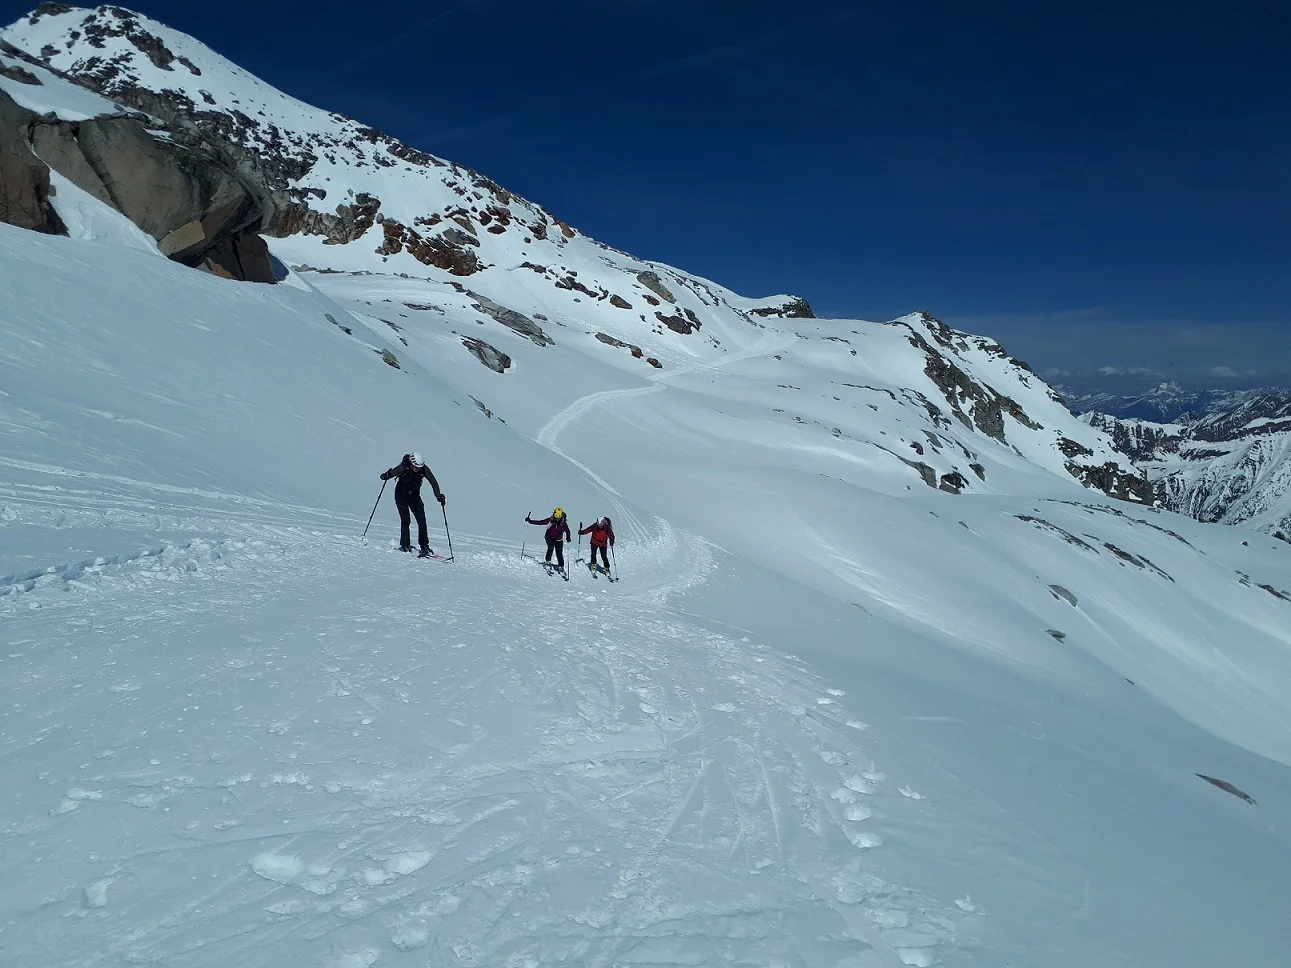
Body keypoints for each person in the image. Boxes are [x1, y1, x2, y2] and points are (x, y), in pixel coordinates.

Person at [380, 452, 445, 557]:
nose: (417, 469)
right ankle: (405, 545)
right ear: (411, 463)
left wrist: (438, 496)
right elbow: (391, 474)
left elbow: (433, 482)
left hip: (414, 496)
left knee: (422, 520)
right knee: (406, 520)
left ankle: (424, 546)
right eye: (415, 467)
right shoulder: (403, 467)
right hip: (401, 496)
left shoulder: (424, 469)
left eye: (419, 467)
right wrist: (385, 476)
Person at [526, 507, 571, 572]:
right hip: (549, 538)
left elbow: (567, 530)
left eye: (558, 517)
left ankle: (561, 566)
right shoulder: (550, 520)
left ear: (561, 516)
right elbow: (540, 522)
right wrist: (530, 521)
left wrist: (568, 537)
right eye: (556, 516)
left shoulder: (563, 523)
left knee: (559, 553)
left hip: (559, 539)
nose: (557, 518)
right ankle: (547, 562)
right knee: (550, 547)